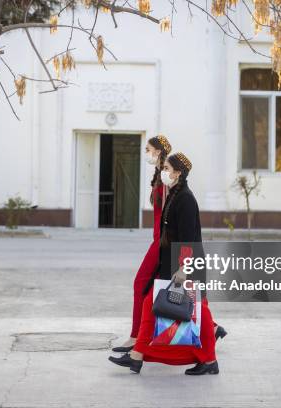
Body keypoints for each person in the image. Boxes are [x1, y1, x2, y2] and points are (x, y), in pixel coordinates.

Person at [109, 152, 220, 375]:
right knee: (152, 305)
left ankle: (208, 360)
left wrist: (183, 268)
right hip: (170, 263)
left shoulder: (186, 199)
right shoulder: (174, 195)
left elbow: (188, 238)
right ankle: (137, 355)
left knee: (201, 312)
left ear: (178, 173)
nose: (164, 172)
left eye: (167, 168)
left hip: (183, 265)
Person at [111, 134, 172, 353]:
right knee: (156, 289)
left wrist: (165, 245)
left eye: (148, 149)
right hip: (159, 239)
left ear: (157, 150)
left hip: (163, 241)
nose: (145, 152)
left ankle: (136, 336)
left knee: (141, 283)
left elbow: (168, 212)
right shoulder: (159, 173)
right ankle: (211, 328)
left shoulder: (165, 174)